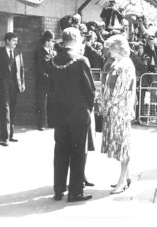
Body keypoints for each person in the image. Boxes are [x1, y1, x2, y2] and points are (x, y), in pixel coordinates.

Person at [48, 27, 95, 202]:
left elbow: (50, 88)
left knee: (60, 152)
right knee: (77, 153)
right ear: (75, 39)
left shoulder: (53, 60)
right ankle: (75, 192)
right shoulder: (81, 60)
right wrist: (87, 109)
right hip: (78, 114)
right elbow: (90, 90)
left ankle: (58, 190)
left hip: (60, 114)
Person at [100, 35, 137, 194]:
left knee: (122, 145)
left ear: (117, 47)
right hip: (114, 109)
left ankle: (122, 181)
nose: (108, 51)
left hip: (120, 110)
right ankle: (125, 178)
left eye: (110, 48)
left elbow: (121, 90)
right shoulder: (117, 63)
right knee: (120, 144)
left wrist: (108, 104)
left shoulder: (126, 64)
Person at [0, 32, 25, 146]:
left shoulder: (18, 52)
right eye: (14, 40)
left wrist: (22, 83)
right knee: (5, 110)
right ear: (7, 41)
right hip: (2, 86)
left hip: (14, 86)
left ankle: (11, 135)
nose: (16, 42)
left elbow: (21, 69)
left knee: (13, 110)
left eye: (16, 40)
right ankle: (4, 137)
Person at [34, 30, 55, 131]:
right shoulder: (39, 52)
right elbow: (39, 68)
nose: (53, 43)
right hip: (42, 81)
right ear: (47, 42)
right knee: (41, 104)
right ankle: (40, 124)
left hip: (51, 82)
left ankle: (51, 122)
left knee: (51, 102)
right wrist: (47, 77)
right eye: (52, 41)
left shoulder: (53, 52)